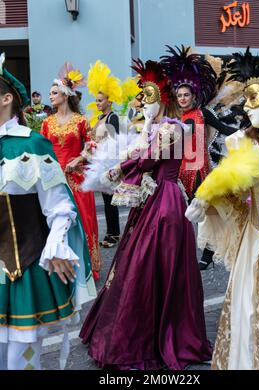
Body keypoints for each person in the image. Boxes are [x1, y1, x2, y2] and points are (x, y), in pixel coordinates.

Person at [80, 59, 212, 370]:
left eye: (148, 97)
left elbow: (149, 160)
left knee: (155, 264)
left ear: (161, 100)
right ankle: (142, 327)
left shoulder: (173, 128)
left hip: (166, 204)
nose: (143, 103)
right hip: (151, 201)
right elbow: (142, 154)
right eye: (142, 97)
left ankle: (159, 333)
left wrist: (119, 166)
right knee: (139, 262)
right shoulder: (153, 127)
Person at [186, 44, 259, 370]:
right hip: (253, 240)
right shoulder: (241, 142)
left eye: (252, 99)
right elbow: (234, 197)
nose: (245, 107)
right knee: (247, 318)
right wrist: (207, 200)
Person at [0, 53, 96, 370]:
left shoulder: (31, 144)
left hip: (20, 269)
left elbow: (59, 206)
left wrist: (56, 244)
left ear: (6, 98)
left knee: (20, 359)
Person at [160, 46, 235, 270]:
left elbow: (225, 129)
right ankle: (179, 252)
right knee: (180, 214)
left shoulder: (202, 114)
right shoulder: (175, 117)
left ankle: (210, 253)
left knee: (208, 212)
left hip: (200, 171)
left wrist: (252, 132)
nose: (182, 99)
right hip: (179, 171)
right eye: (179, 95)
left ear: (194, 96)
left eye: (186, 95)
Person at [41, 63, 101, 281]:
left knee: (83, 219)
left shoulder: (81, 121)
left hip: (77, 177)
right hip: (55, 178)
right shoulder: (47, 123)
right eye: (50, 93)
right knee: (57, 220)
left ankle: (88, 265)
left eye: (54, 93)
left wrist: (80, 157)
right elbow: (43, 150)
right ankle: (60, 265)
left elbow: (93, 145)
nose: (51, 96)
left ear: (65, 95)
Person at [84, 60, 123, 248]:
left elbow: (114, 141)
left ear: (110, 100)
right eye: (96, 100)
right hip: (99, 161)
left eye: (101, 100)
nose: (98, 103)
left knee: (110, 200)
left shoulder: (112, 117)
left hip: (109, 163)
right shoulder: (99, 118)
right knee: (107, 199)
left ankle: (113, 234)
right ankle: (111, 232)